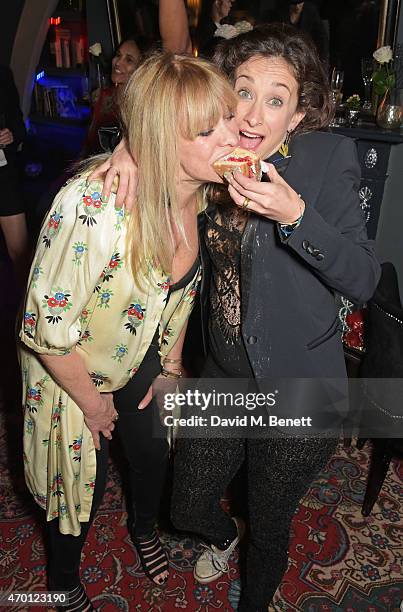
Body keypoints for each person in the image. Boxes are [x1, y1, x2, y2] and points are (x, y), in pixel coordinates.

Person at [89, 23, 380, 611]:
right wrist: (126, 148)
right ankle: (225, 537)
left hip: (300, 383)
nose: (253, 115)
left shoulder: (326, 160)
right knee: (188, 504)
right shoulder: (212, 151)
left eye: (276, 100)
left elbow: (365, 278)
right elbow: (155, 114)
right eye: (242, 91)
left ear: (297, 116)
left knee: (270, 523)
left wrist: (298, 217)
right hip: (223, 371)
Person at [18, 51, 239, 612]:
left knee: (151, 456)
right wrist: (94, 407)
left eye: (229, 121)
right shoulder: (96, 204)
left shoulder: (206, 190)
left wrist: (169, 368)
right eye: (208, 130)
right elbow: (45, 328)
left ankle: (145, 528)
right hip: (73, 368)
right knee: (77, 484)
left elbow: (181, 295)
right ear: (164, 139)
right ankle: (64, 581)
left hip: (141, 351)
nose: (233, 138)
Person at [83, 38, 142, 155]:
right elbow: (89, 145)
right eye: (118, 55)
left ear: (143, 68)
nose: (118, 62)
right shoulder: (104, 97)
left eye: (129, 60)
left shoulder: (144, 108)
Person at [0, 64, 29, 288]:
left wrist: (12, 135)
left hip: (3, 171)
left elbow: (18, 124)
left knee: (20, 252)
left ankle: (27, 314)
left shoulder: (2, 72)